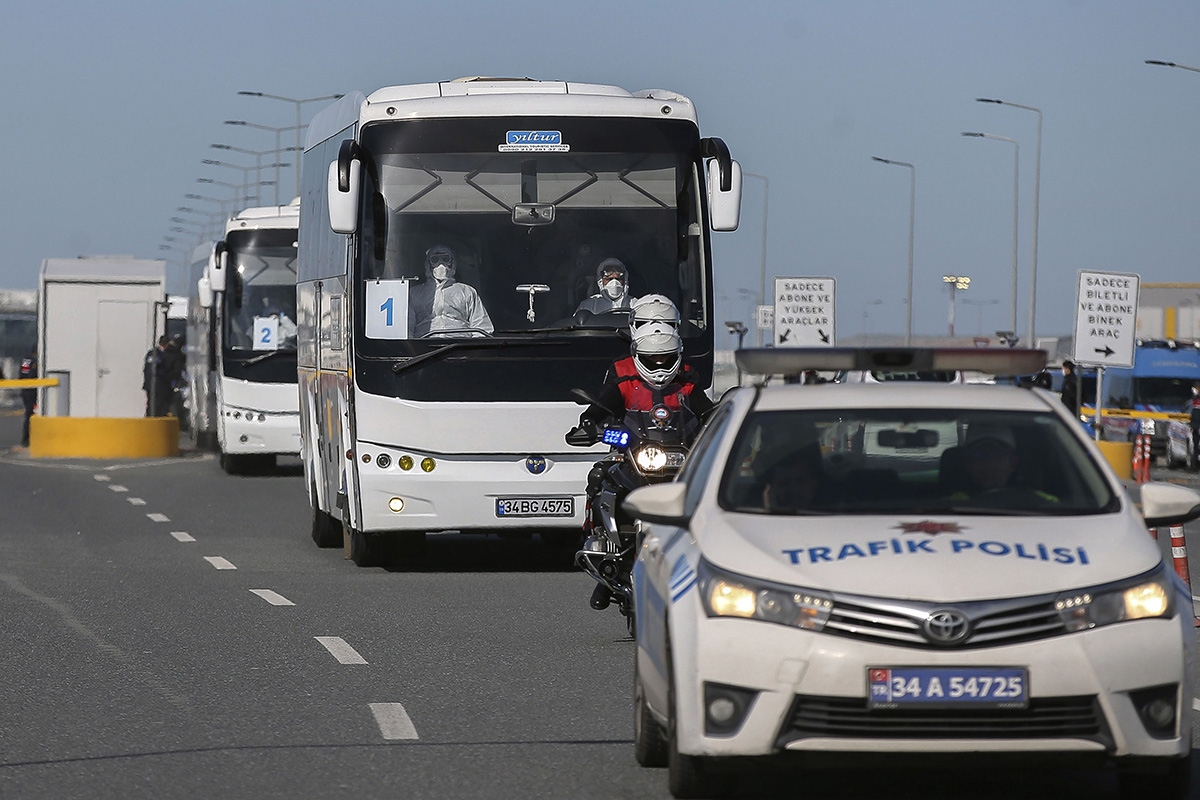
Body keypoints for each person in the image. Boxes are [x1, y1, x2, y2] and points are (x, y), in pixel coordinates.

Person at [946, 426, 1057, 506]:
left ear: (1013, 462)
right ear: (967, 463)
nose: (988, 464)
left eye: (996, 455)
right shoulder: (949, 505)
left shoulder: (1045, 503)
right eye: (979, 455)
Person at [408, 245, 493, 337]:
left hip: (460, 346)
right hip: (423, 347)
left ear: (453, 262)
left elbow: (482, 328)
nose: (441, 264)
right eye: (435, 260)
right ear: (428, 264)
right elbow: (406, 329)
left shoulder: (467, 292)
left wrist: (474, 350)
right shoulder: (414, 294)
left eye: (445, 259)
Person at [143, 336, 169, 417]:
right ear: (167, 344)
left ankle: (149, 420)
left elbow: (146, 369)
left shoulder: (151, 353)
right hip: (158, 384)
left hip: (149, 383)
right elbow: (162, 371)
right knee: (158, 405)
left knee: (150, 404)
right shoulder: (162, 355)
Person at [19, 349, 36, 448]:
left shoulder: (25, 360)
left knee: (28, 414)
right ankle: (27, 439)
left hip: (25, 389)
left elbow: (22, 375)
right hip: (32, 390)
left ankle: (25, 439)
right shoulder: (35, 361)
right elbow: (33, 375)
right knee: (31, 414)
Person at [1189, 381, 1200, 469]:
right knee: (1195, 446)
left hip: (1197, 425)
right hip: (1195, 427)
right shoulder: (1195, 398)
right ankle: (1194, 465)